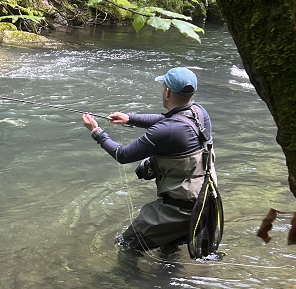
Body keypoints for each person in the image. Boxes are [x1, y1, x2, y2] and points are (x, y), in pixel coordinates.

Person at [82, 66, 222, 256]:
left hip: (181, 210)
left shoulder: (168, 130)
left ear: (167, 92)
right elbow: (168, 120)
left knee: (126, 244)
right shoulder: (199, 112)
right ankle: (170, 274)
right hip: (206, 201)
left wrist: (96, 132)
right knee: (169, 247)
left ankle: (131, 276)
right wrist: (130, 118)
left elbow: (122, 155)